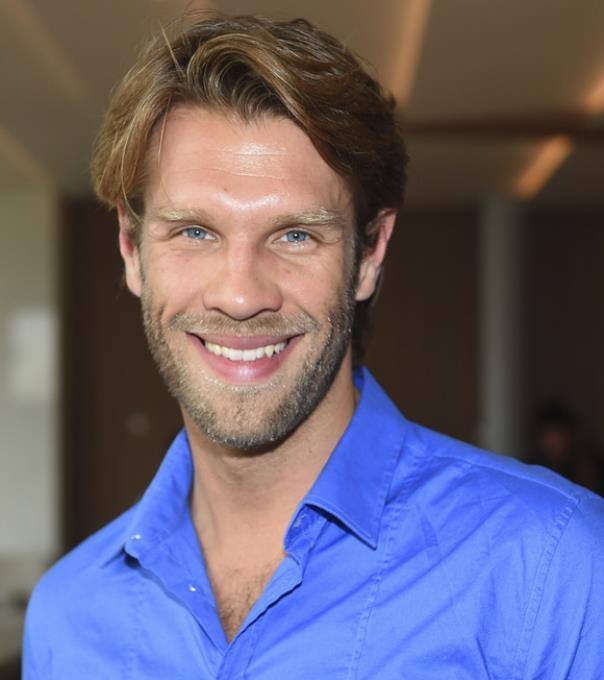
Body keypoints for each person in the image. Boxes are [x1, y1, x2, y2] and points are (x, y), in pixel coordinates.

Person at [23, 13, 604, 679]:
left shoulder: (552, 569)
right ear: (132, 250)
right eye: (194, 232)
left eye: (296, 235)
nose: (240, 294)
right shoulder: (68, 617)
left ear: (369, 255)